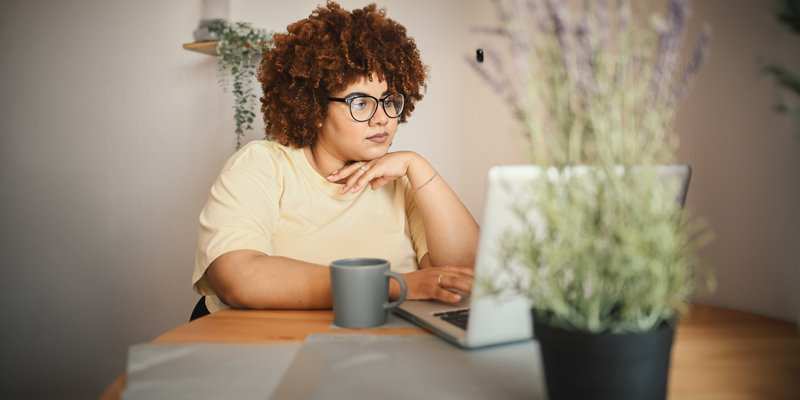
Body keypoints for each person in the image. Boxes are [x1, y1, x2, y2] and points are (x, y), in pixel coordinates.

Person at [192, 1, 479, 314]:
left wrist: (418, 166)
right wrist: (395, 285)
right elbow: (239, 277)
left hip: (385, 349)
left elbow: (464, 277)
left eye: (389, 100)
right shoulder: (261, 166)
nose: (381, 118)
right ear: (316, 109)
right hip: (275, 349)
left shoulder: (401, 184)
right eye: (360, 103)